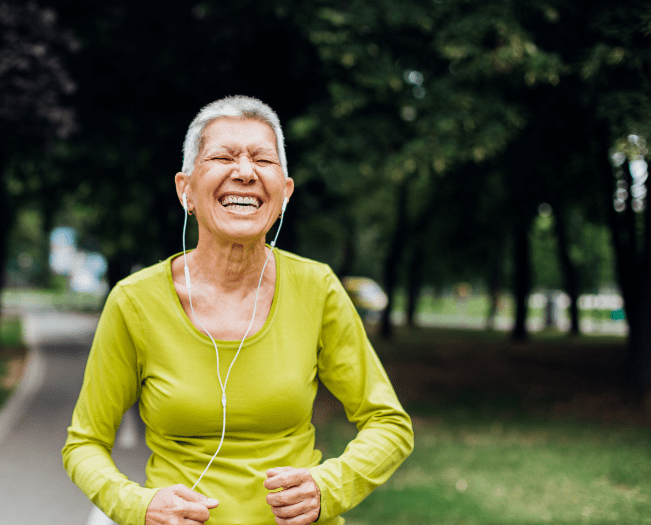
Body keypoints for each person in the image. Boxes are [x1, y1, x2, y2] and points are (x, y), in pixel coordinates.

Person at [62, 95, 413, 525]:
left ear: (284, 193)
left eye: (262, 160)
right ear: (185, 189)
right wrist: (139, 505)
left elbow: (388, 423)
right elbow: (84, 443)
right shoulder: (134, 302)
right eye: (223, 156)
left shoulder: (317, 288)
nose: (244, 172)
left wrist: (328, 487)